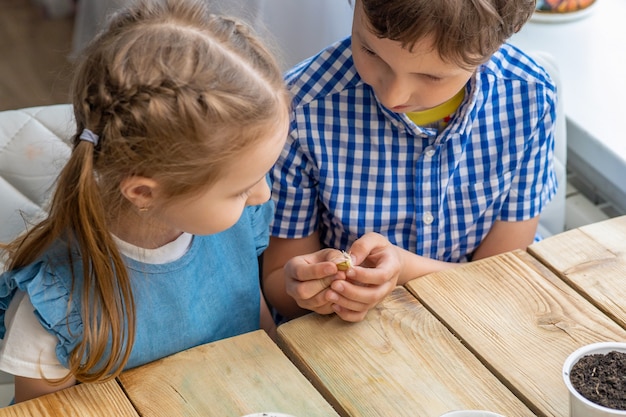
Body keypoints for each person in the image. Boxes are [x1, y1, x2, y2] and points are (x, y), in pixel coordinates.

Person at [0, 0, 289, 403]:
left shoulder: (236, 224)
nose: (263, 194)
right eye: (240, 188)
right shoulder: (55, 307)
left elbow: (259, 341)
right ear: (143, 193)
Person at [262, 0, 558, 323]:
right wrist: (309, 288)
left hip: (476, 324)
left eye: (431, 77)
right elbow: (278, 283)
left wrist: (404, 270)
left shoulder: (529, 98)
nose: (393, 95)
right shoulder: (299, 111)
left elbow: (497, 279)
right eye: (371, 51)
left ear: (493, 47)